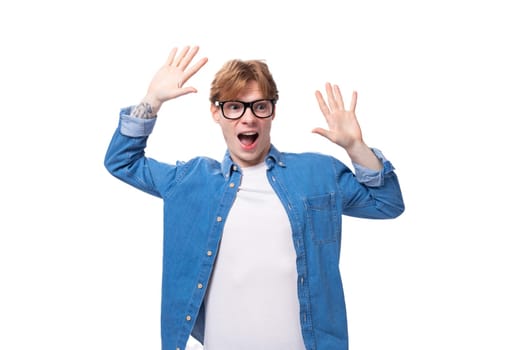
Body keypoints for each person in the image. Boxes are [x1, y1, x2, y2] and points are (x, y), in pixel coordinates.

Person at [104, 45, 405, 350]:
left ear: (272, 111)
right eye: (234, 107)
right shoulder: (191, 180)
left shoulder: (318, 173)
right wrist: (151, 101)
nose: (248, 118)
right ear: (216, 112)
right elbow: (121, 162)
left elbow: (387, 203)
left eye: (259, 106)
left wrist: (356, 146)